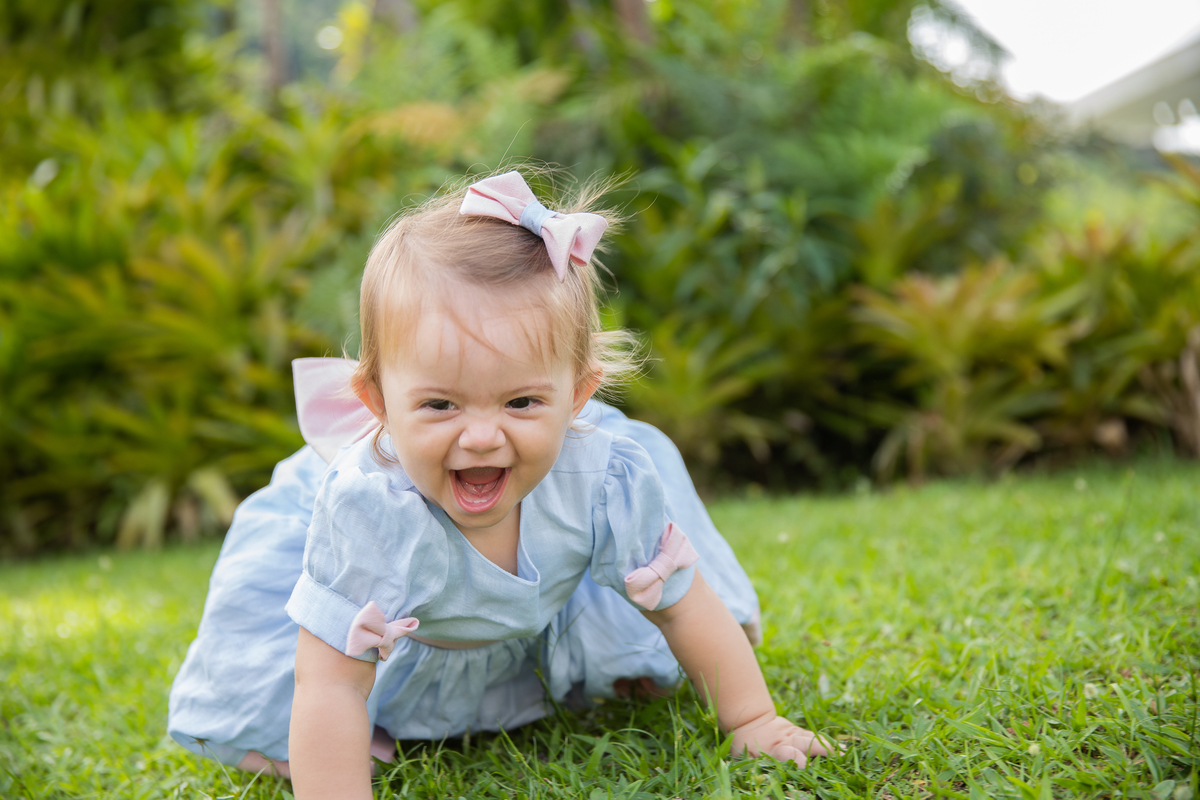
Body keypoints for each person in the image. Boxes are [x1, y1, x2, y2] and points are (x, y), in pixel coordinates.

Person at [167, 171, 833, 797]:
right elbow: (330, 681)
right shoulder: (371, 508)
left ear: (576, 396)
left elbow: (681, 604)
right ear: (376, 401)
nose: (482, 436)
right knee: (281, 715)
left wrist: (752, 722)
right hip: (397, 625)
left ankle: (596, 669)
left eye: (520, 403)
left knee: (657, 646)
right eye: (439, 406)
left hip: (520, 610)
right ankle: (327, 735)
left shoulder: (599, 475)